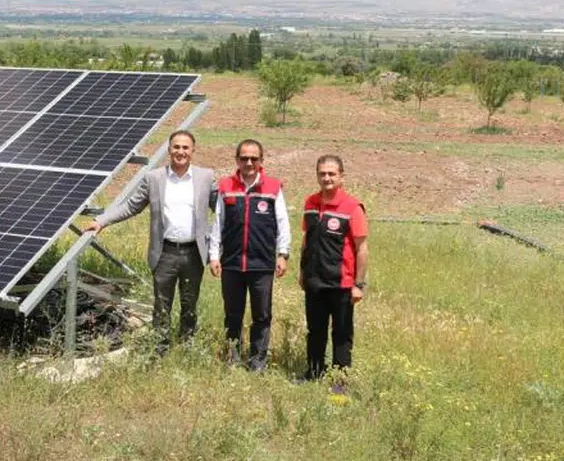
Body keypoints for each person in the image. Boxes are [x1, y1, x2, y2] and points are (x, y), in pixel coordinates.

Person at [83, 130, 216, 354]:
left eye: (185, 147)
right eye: (176, 147)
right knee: (161, 305)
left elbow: (223, 208)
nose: (180, 152)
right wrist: (101, 221)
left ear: (193, 150)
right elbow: (131, 206)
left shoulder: (206, 177)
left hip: (194, 252)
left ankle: (187, 348)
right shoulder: (154, 178)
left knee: (189, 303)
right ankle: (160, 350)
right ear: (169, 149)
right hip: (165, 252)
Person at [208, 139, 290, 371]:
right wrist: (214, 255)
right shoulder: (226, 186)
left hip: (262, 264)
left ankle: (257, 362)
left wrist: (283, 254)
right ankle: (233, 359)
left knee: (261, 316)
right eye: (244, 158)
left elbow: (282, 223)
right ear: (237, 160)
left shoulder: (273, 187)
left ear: (261, 161)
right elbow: (218, 223)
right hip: (232, 263)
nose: (249, 162)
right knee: (232, 314)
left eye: (254, 158)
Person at [298, 154, 369, 382]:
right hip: (314, 281)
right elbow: (306, 240)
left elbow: (362, 248)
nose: (326, 178)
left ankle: (339, 382)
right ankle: (314, 373)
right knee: (315, 331)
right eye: (322, 173)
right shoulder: (310, 203)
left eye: (331, 174)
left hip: (341, 284)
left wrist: (358, 285)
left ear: (341, 177)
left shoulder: (352, 207)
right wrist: (302, 272)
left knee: (342, 334)